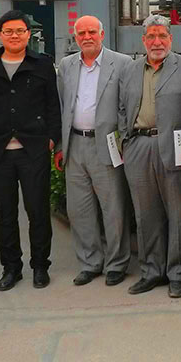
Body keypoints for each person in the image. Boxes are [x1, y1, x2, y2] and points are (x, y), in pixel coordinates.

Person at [0, 10, 61, 291]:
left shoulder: (42, 65)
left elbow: (53, 105)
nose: (14, 36)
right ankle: (11, 267)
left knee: (38, 211)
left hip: (33, 149)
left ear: (28, 34)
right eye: (8, 31)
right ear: (0, 35)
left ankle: (40, 265)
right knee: (5, 213)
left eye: (19, 31)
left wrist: (52, 138)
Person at [118, 15, 181, 298]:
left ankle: (178, 274)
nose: (157, 42)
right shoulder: (130, 70)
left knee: (178, 214)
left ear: (171, 39)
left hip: (177, 149)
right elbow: (122, 108)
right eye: (151, 37)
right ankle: (151, 271)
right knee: (146, 215)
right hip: (139, 147)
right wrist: (125, 142)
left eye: (162, 36)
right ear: (143, 40)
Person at [55, 15, 132, 287]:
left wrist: (125, 142)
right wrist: (61, 146)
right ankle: (90, 263)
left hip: (108, 145)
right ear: (75, 37)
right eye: (81, 33)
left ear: (102, 34)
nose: (86, 37)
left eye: (91, 32)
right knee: (79, 210)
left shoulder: (122, 63)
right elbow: (61, 106)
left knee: (113, 208)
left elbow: (128, 105)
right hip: (75, 144)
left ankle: (117, 264)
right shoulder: (66, 65)